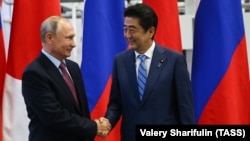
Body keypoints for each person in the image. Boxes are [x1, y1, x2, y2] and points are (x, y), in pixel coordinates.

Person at [102, 3, 195, 141]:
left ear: (150, 32)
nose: (127, 35)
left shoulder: (174, 60)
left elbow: (185, 107)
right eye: (125, 29)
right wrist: (107, 123)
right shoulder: (120, 61)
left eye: (132, 30)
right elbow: (116, 103)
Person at [21, 16, 110, 141]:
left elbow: (82, 111)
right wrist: (94, 127)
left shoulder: (73, 68)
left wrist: (94, 127)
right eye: (69, 38)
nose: (73, 44)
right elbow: (54, 117)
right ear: (50, 38)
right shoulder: (34, 73)